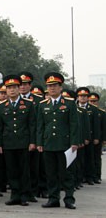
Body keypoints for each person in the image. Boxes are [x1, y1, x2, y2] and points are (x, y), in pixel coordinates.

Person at [37, 72, 79, 209]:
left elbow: (74, 124)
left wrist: (74, 142)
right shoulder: (43, 104)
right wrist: (39, 143)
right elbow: (40, 126)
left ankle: (69, 199)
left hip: (65, 144)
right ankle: (53, 198)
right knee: (50, 173)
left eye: (55, 85)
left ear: (60, 87)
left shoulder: (69, 103)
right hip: (48, 143)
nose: (52, 88)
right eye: (49, 86)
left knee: (67, 173)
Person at [0, 75, 36, 206]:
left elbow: (32, 125)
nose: (12, 90)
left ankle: (24, 195)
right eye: (9, 88)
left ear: (19, 89)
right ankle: (15, 195)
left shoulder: (28, 104)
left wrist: (32, 142)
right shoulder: (1, 106)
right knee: (11, 170)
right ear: (6, 90)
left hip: (24, 142)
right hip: (8, 143)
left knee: (24, 170)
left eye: (14, 87)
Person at [19, 71, 44, 201]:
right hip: (19, 139)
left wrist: (36, 141)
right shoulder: (14, 100)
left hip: (34, 138)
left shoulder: (39, 100)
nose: (23, 87)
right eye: (21, 84)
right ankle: (22, 190)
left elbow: (39, 123)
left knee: (34, 167)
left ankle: (33, 191)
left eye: (25, 84)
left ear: (30, 85)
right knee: (21, 167)